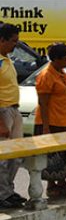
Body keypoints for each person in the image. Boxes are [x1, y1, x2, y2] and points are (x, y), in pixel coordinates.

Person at [35, 43, 66, 198]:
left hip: (64, 120)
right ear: (57, 59)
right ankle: (52, 186)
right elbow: (43, 103)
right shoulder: (46, 75)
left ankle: (62, 182)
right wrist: (45, 127)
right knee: (52, 157)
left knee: (63, 156)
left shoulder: (61, 73)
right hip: (52, 122)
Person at [0, 24, 25, 208]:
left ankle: (8, 190)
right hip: (3, 112)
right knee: (3, 158)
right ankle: (2, 194)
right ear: (2, 40)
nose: (15, 45)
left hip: (14, 110)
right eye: (13, 41)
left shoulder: (7, 59)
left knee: (16, 156)